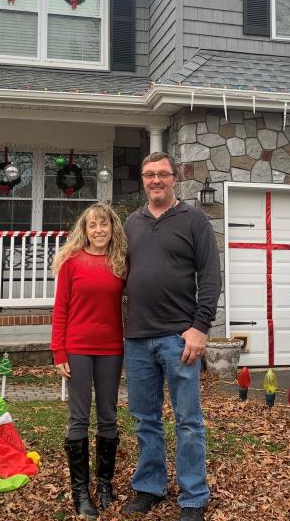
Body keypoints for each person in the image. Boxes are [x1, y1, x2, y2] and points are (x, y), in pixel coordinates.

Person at [121, 151, 221, 521]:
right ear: (142, 179)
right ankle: (149, 486)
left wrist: (200, 328)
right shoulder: (131, 223)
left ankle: (193, 496)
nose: (156, 180)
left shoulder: (193, 220)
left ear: (174, 179)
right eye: (149, 174)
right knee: (145, 418)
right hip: (136, 338)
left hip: (179, 339)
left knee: (188, 420)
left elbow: (210, 277)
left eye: (163, 174)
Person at [51, 202, 128, 519]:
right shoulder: (71, 262)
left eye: (104, 225)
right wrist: (58, 351)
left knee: (108, 416)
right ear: (84, 231)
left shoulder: (121, 263)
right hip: (78, 348)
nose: (98, 230)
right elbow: (60, 309)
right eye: (92, 225)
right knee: (79, 418)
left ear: (113, 229)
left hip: (111, 348)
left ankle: (105, 483)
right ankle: (81, 492)